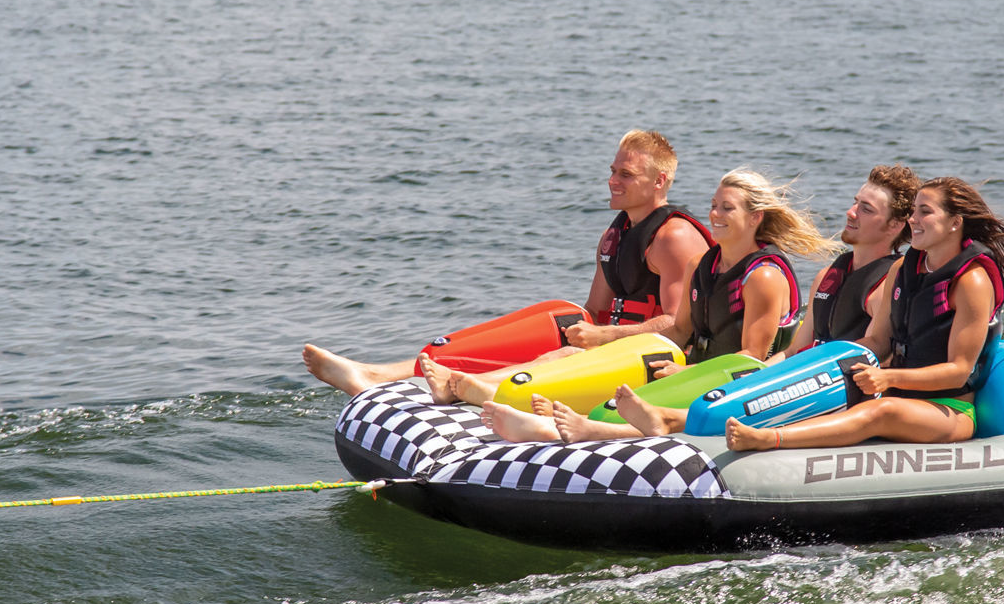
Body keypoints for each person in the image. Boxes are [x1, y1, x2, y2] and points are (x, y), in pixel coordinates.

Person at [302, 130, 711, 398]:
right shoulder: (616, 233)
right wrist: (580, 331)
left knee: (559, 357)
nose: (612, 180)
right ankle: (381, 373)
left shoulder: (674, 237)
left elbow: (678, 328)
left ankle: (471, 386)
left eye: (626, 174)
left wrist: (600, 339)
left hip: (665, 356)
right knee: (559, 315)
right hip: (620, 339)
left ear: (659, 182)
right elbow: (596, 310)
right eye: (612, 171)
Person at [484, 169, 835, 444]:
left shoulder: (763, 277)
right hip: (696, 369)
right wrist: (614, 340)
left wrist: (687, 375)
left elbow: (749, 359)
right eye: (714, 204)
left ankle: (572, 428)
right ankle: (553, 406)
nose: (715, 214)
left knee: (627, 406)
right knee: (608, 362)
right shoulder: (701, 265)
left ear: (756, 217)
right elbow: (679, 329)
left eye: (727, 208)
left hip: (740, 385)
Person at [724, 177, 1004, 452]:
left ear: (955, 222)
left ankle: (769, 440)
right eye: (914, 211)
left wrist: (887, 377)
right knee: (831, 394)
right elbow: (878, 340)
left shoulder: (972, 281)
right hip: (896, 390)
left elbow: (958, 369)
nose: (914, 219)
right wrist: (822, 370)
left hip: (947, 408)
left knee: (881, 412)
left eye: (925, 212)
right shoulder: (903, 268)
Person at [777, 163, 920, 359]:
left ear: (894, 225)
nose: (851, 212)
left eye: (866, 209)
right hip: (809, 374)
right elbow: (793, 351)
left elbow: (876, 358)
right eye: (856, 203)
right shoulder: (825, 277)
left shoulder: (885, 288)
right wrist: (756, 375)